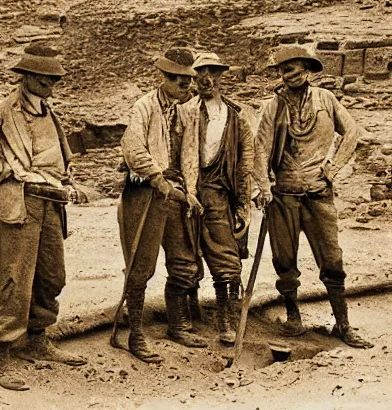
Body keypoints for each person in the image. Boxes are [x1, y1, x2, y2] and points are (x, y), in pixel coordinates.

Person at [0, 46, 87, 391]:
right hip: (21, 204)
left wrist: (69, 179)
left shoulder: (49, 111)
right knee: (14, 277)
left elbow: (60, 156)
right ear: (28, 76)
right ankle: (1, 354)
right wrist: (1, 169)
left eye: (54, 79)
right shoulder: (3, 110)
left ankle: (37, 339)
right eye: (45, 78)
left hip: (52, 203)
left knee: (51, 275)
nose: (51, 84)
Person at [253, 45, 373, 348]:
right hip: (283, 196)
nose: (288, 75)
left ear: (307, 69)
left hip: (318, 194)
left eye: (294, 69)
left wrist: (334, 166)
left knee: (332, 260)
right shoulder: (273, 107)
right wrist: (262, 187)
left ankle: (343, 324)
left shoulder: (326, 100)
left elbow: (352, 131)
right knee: (284, 260)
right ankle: (293, 317)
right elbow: (260, 149)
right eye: (283, 70)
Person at [118, 46, 206, 364]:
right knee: (141, 267)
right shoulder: (144, 107)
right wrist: (157, 179)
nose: (187, 87)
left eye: (189, 81)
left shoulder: (182, 111)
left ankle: (178, 326)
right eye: (180, 82)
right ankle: (135, 334)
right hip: (145, 193)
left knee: (184, 262)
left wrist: (188, 191)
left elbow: (188, 155)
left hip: (175, 194)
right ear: (164, 78)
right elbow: (132, 149)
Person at [179, 52, 254, 345]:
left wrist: (244, 202)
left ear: (222, 75)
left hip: (219, 192)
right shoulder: (185, 111)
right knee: (186, 251)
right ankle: (189, 309)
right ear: (193, 77)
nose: (207, 79)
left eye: (213, 72)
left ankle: (225, 315)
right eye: (200, 73)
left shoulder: (235, 115)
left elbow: (246, 160)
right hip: (188, 190)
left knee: (225, 254)